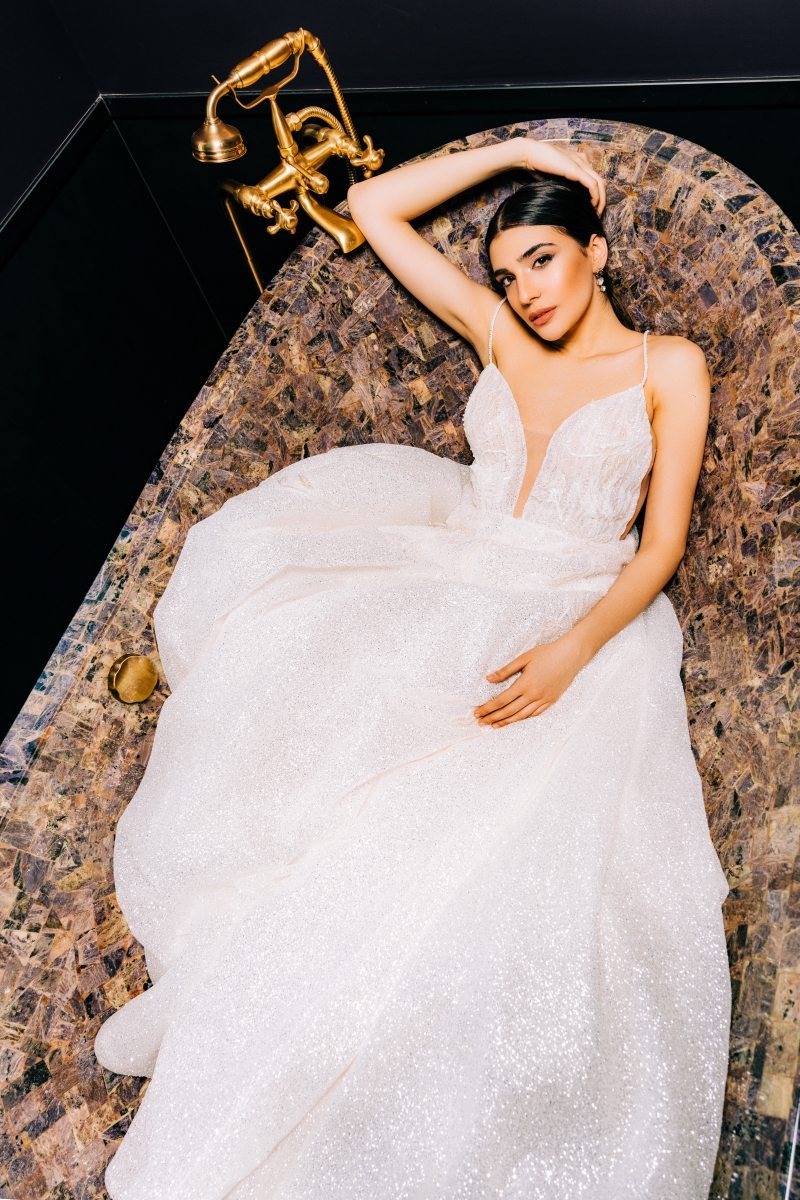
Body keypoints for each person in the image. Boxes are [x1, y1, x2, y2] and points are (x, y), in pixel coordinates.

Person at [95, 137, 730, 1200]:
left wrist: (573, 650)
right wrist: (521, 148)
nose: (526, 291)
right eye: (508, 274)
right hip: (456, 569)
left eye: (542, 259)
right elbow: (374, 207)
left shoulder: (668, 367)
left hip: (572, 607)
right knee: (294, 678)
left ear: (596, 249)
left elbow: (659, 546)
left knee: (469, 849)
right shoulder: (498, 331)